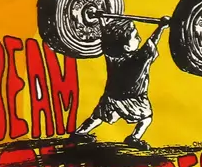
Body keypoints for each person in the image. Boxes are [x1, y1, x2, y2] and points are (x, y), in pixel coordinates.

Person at [71, 15, 171, 148]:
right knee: (146, 118)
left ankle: (79, 133)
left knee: (97, 116)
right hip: (133, 98)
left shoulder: (111, 55)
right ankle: (134, 138)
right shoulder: (138, 60)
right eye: (136, 37)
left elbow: (106, 36)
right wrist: (161, 28)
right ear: (126, 47)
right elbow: (152, 42)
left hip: (111, 96)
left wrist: (100, 18)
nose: (139, 39)